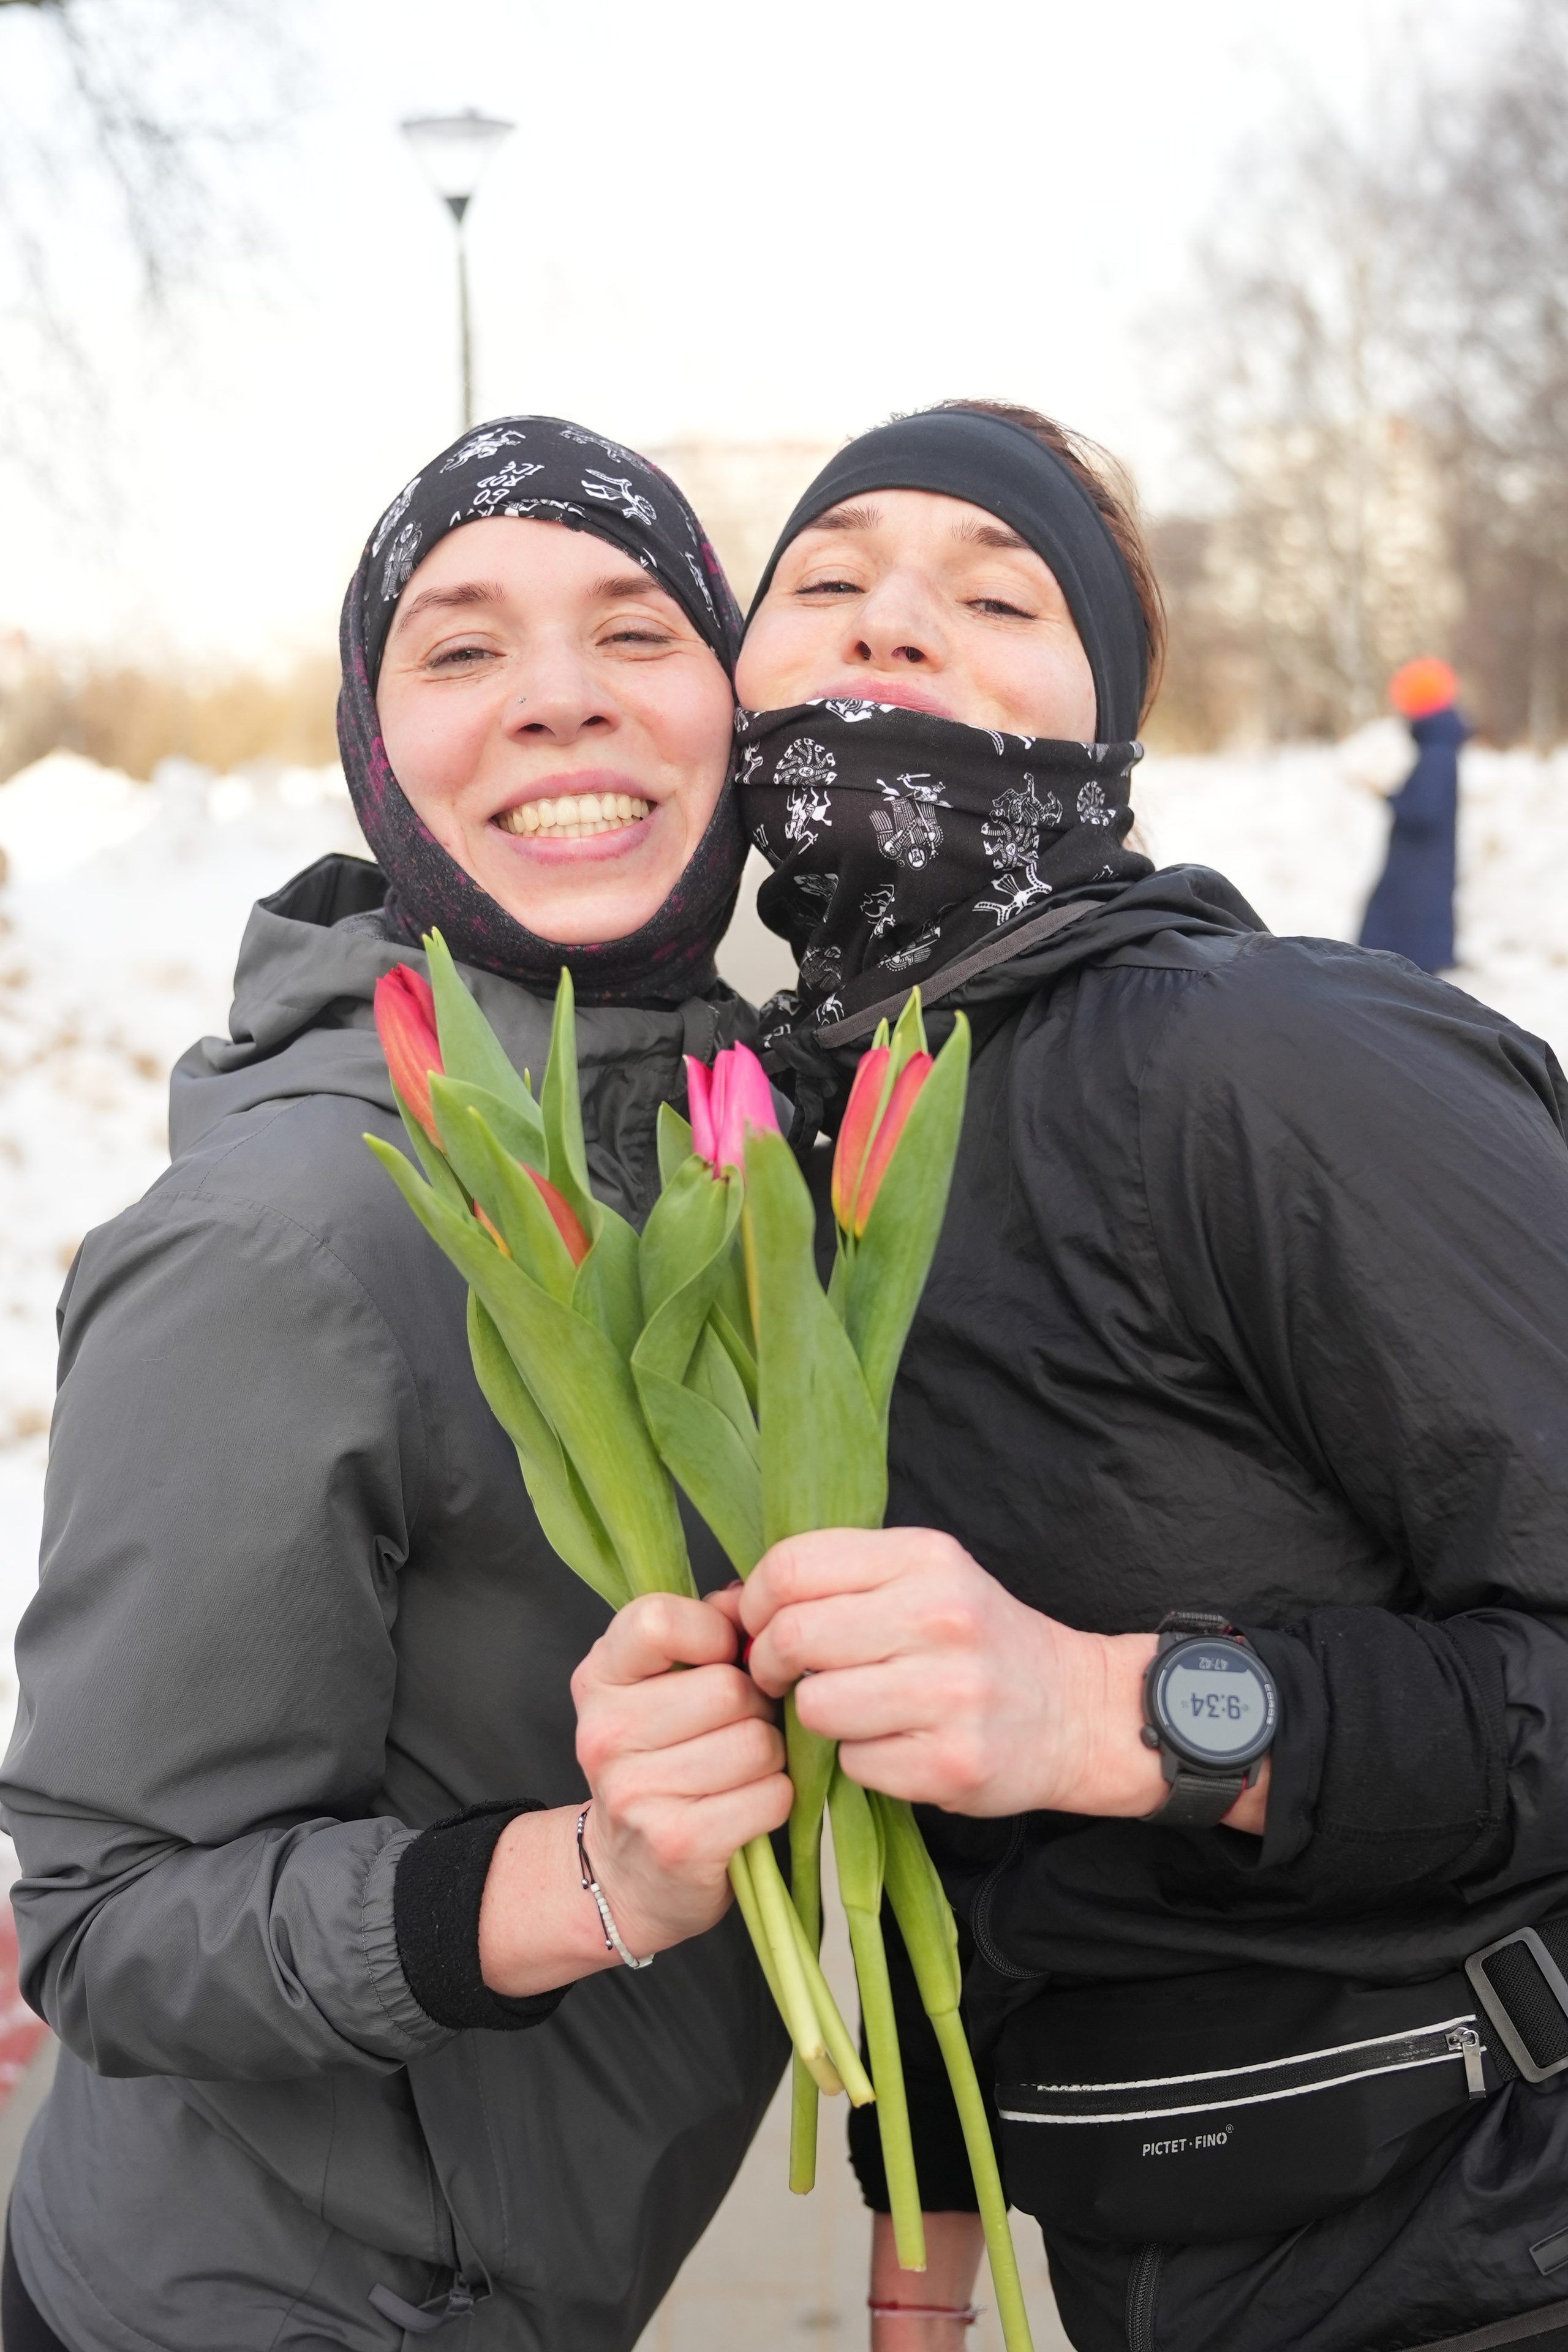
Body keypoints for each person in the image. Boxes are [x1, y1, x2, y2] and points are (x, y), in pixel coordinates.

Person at [731, 402, 1568, 2352]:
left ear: (1099, 731)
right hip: (1155, 2269)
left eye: (996, 592)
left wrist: (1119, 1711)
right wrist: (923, 2178)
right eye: (827, 576)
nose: (893, 621)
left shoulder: (1264, 1065)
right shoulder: (786, 1154)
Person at [0, 417, 793, 2351]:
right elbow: (105, 1922)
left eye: (635, 627)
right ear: (374, 743)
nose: (554, 698)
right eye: (459, 647)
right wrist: (581, 1878)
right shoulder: (286, 1236)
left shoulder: (726, 1156)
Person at [1359, 654, 1469, 973]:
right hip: (1423, 867)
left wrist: (1388, 795)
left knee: (1399, 954)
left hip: (1418, 871)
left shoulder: (1436, 754)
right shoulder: (1439, 749)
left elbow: (1423, 812)